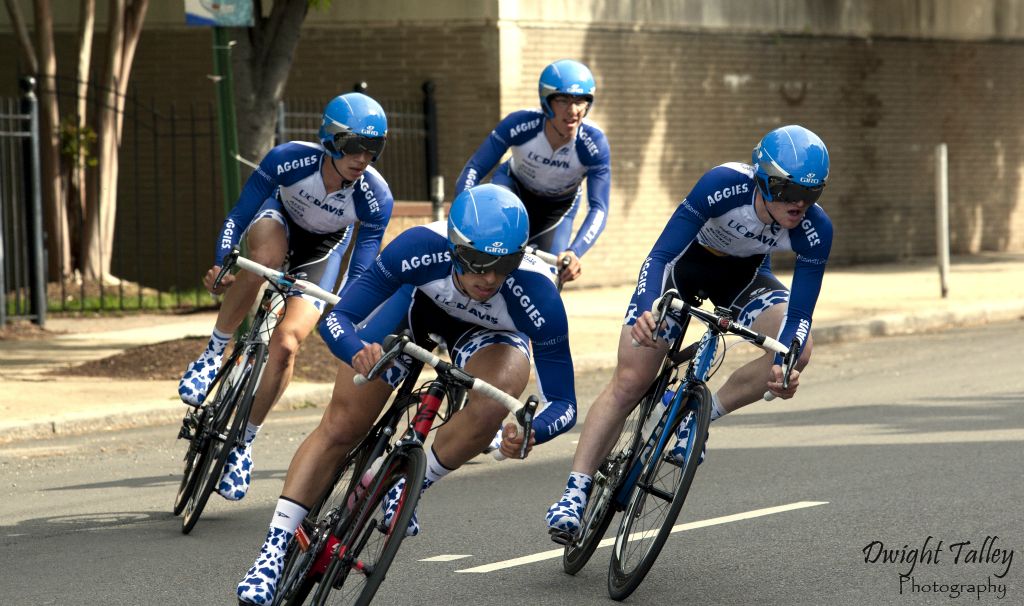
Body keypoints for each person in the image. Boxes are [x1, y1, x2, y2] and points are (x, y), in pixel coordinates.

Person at [236, 184, 578, 605]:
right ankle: (272, 553)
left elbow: (564, 404)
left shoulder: (538, 293)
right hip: (413, 309)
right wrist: (357, 351)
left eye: (503, 264)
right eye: (477, 263)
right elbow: (338, 318)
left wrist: (532, 431)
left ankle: (413, 483)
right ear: (455, 248)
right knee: (343, 426)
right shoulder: (419, 247)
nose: (489, 277)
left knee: (499, 393)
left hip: (491, 337)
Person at [545, 125, 834, 537]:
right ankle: (575, 493)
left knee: (798, 353)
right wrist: (647, 308)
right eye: (785, 189)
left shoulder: (815, 229)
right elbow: (661, 254)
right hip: (683, 269)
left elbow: (800, 314)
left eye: (812, 193)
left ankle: (699, 418)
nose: (798, 204)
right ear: (761, 177)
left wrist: (785, 363)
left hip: (744, 278)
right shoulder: (724, 185)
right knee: (631, 379)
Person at [177, 92, 394, 503]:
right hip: (276, 224)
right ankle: (212, 354)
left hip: (322, 254)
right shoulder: (289, 159)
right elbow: (239, 215)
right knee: (265, 257)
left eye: (374, 148)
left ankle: (243, 444)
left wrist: (346, 306)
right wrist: (224, 261)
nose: (363, 157)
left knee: (287, 343)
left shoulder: (375, 196)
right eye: (353, 146)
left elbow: (361, 267)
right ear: (330, 139)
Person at [455, 58, 611, 284]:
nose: (573, 110)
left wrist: (575, 251)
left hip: (556, 211)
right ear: (546, 102)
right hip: (513, 191)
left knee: (547, 282)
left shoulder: (594, 144)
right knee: (489, 263)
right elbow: (474, 168)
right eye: (563, 100)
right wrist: (464, 211)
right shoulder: (520, 124)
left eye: (581, 101)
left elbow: (599, 208)